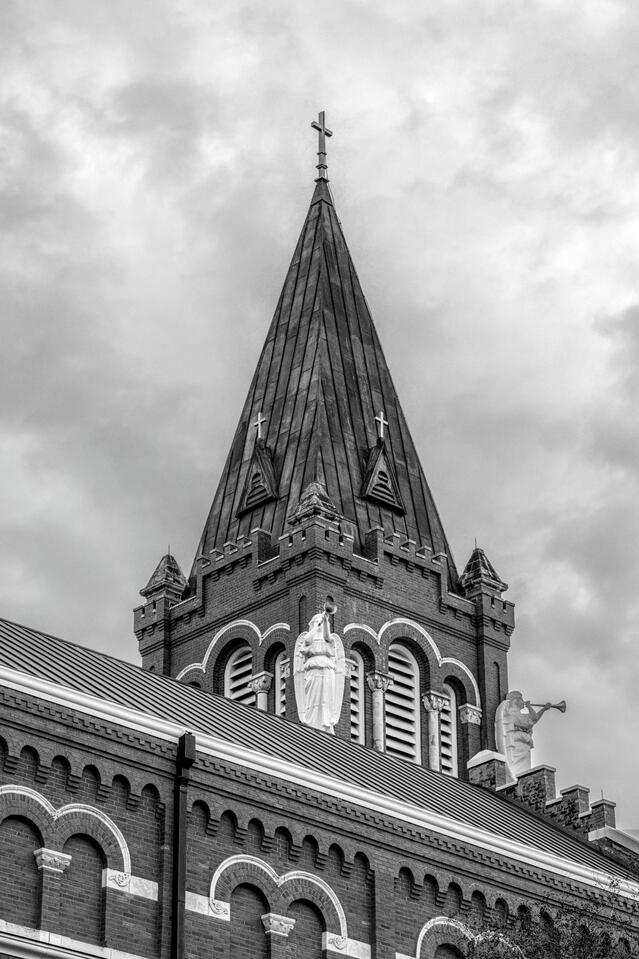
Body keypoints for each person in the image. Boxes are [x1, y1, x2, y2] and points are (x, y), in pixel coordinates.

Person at [296, 610, 337, 733]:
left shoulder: (329, 639)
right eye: (316, 621)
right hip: (313, 669)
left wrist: (325, 621)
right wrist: (315, 627)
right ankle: (312, 722)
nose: (319, 623)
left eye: (321, 622)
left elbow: (328, 637)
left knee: (326, 697)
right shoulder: (309, 639)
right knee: (313, 696)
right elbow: (307, 640)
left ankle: (325, 723)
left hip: (326, 668)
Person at [495, 691, 552, 778]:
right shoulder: (510, 713)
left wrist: (543, 709)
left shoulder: (519, 714)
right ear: (515, 700)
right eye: (521, 698)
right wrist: (529, 707)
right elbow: (530, 721)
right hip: (516, 745)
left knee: (524, 771)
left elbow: (533, 719)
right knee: (516, 771)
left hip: (524, 746)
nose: (523, 701)